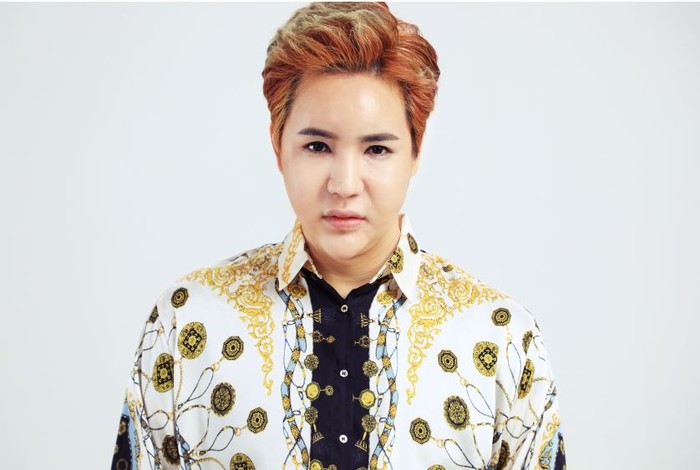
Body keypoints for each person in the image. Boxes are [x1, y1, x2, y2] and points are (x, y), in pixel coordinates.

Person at [110, 2, 566, 469]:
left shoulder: (500, 336)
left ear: (415, 152)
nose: (345, 185)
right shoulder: (189, 319)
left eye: (377, 149)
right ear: (278, 146)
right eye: (317, 146)